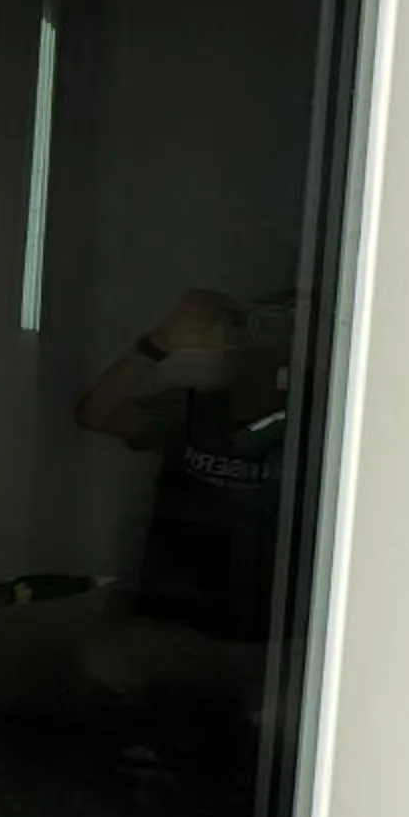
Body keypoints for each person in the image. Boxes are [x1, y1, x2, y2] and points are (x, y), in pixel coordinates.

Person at [74, 287, 296, 773]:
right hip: (178, 632)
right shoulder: (194, 410)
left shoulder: (325, 425)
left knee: (289, 724)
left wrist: (326, 362)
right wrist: (161, 342)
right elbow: (95, 413)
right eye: (255, 327)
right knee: (103, 664)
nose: (268, 346)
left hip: (275, 645)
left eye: (289, 330)